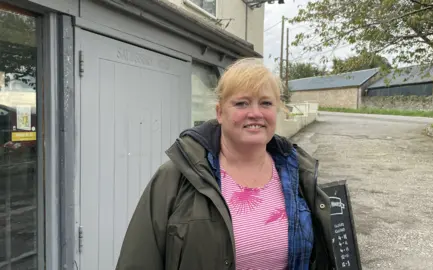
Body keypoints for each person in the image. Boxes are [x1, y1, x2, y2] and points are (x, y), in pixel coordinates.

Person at [115, 58, 335, 270]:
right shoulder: (177, 177)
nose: (255, 113)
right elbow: (139, 261)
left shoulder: (297, 175)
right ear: (220, 113)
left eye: (266, 103)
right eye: (242, 103)